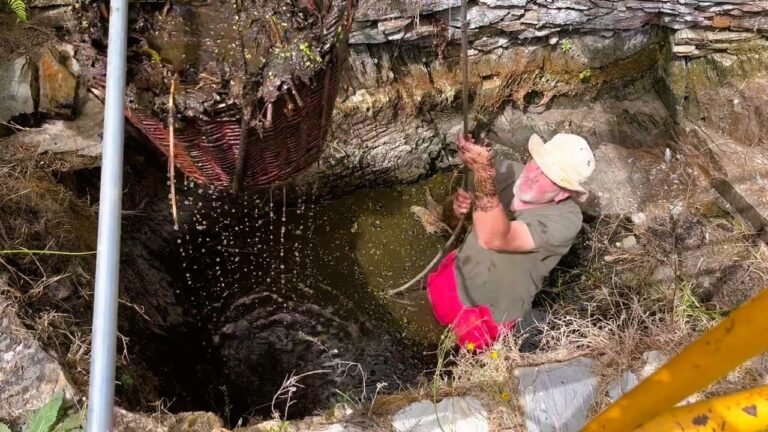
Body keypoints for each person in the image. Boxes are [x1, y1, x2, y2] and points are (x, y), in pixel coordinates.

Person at [426, 132, 596, 351]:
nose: (534, 176)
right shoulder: (508, 171)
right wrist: (459, 211)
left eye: (550, 177)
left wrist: (482, 172)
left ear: (563, 193)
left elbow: (494, 238)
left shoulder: (566, 221)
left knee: (458, 357)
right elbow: (453, 219)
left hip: (490, 311)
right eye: (537, 164)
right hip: (456, 274)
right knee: (430, 312)